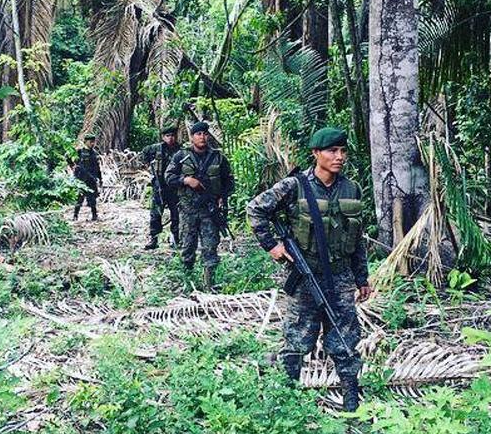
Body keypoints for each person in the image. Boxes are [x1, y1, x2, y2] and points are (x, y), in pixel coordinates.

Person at [246, 126, 373, 411]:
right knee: (296, 341)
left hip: (341, 277)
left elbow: (357, 237)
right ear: (316, 154)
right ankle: (288, 403)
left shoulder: (352, 189)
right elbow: (256, 209)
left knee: (345, 340)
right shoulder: (296, 186)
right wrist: (272, 246)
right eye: (332, 151)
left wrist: (361, 277)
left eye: (342, 151)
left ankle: (352, 403)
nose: (339, 157)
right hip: (305, 276)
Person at [165, 121, 235, 288]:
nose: (202, 137)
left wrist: (221, 197)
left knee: (210, 248)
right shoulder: (181, 156)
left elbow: (229, 181)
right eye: (198, 134)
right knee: (187, 248)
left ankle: (208, 285)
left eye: (205, 134)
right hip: (188, 209)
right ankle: (187, 283)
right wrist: (186, 180)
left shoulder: (218, 157)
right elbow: (168, 177)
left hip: (209, 211)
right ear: (192, 137)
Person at [140, 126, 181, 249]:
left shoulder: (180, 150)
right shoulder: (156, 148)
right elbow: (144, 153)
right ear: (163, 137)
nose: (170, 138)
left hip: (175, 187)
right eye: (168, 136)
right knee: (156, 214)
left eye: (172, 136)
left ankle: (176, 239)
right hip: (160, 186)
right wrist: (148, 166)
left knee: (176, 214)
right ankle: (154, 239)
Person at [72, 134, 102, 221]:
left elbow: (97, 167)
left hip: (91, 180)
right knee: (79, 199)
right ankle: (75, 216)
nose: (92, 144)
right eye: (90, 142)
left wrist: (100, 179)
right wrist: (73, 167)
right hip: (81, 179)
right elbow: (68, 157)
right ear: (85, 142)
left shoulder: (94, 153)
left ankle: (94, 216)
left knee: (93, 199)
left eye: (93, 142)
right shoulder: (79, 152)